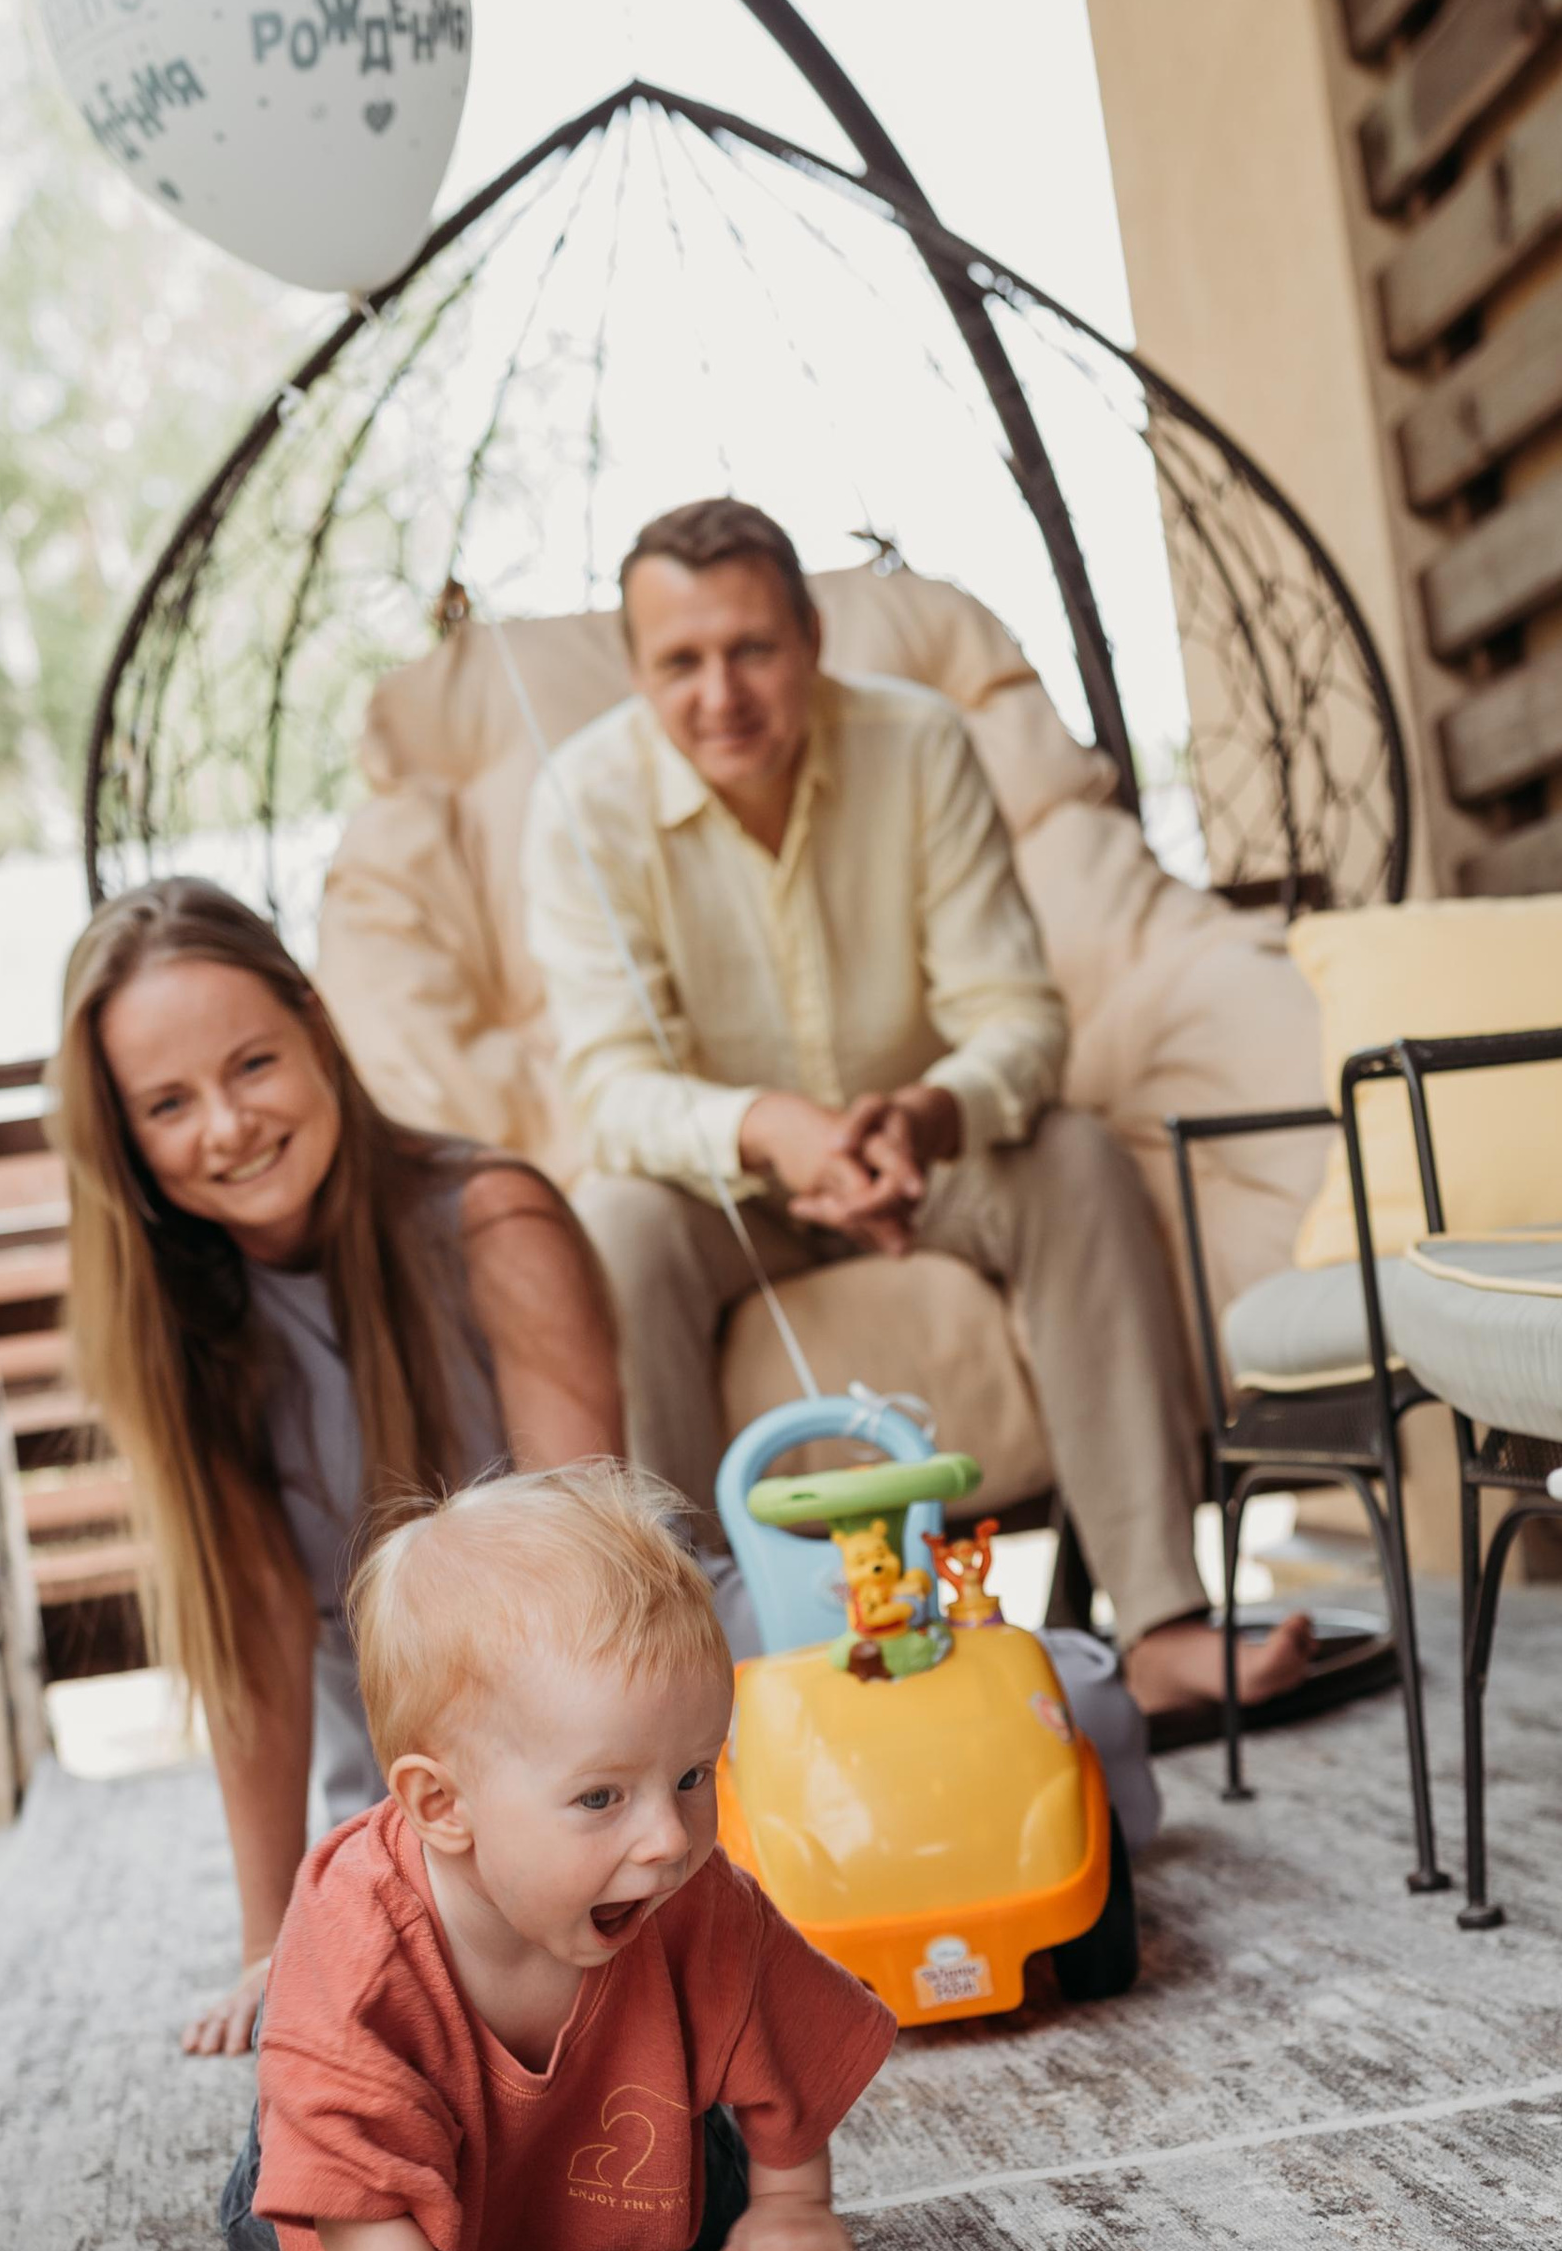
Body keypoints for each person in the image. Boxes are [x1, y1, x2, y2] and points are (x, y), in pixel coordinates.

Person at [520, 495, 1320, 1726]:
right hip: (721, 1186)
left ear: (811, 638)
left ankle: (1161, 1624)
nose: (720, 695)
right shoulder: (579, 801)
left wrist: (933, 1116)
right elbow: (613, 1087)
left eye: (752, 649)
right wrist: (772, 1131)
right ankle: (686, 1679)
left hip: (922, 1152)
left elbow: (1018, 1017)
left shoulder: (921, 743)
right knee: (614, 1224)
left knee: (1074, 1157)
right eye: (680, 662)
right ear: (635, 672)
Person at [220, 1462, 895, 2251]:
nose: (667, 1839)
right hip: (373, 2187)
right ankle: (288, 2078)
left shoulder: (682, 1891)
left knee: (711, 2177)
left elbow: (784, 2037)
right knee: (297, 2212)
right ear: (442, 1806)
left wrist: (794, 2205)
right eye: (600, 1797)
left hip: (606, 2135)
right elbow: (359, 2214)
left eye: (692, 1775)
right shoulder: (360, 1946)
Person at [57, 877, 624, 2056]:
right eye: (168, 1104)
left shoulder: (495, 1222)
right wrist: (270, 1942)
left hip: (600, 1701)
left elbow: (593, 1581)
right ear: (125, 1139)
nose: (227, 1126)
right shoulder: (176, 1326)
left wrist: (549, 1840)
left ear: (316, 1029)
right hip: (407, 1772)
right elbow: (255, 1645)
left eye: (253, 1064)